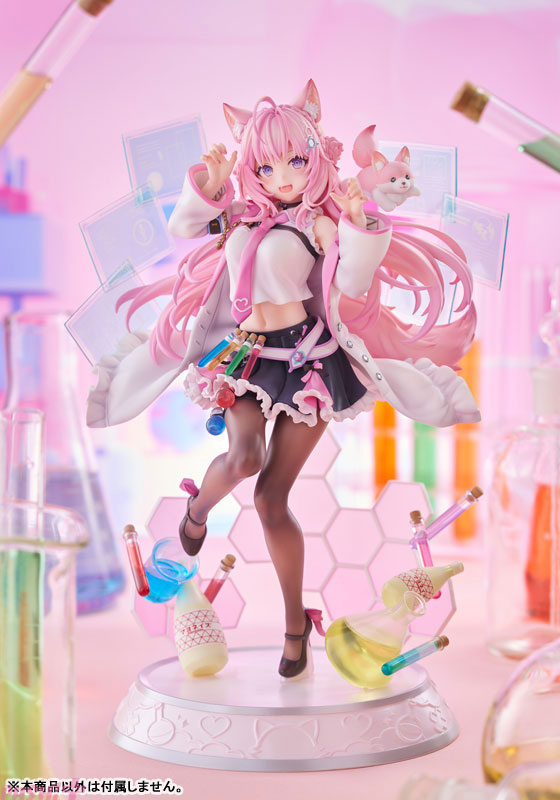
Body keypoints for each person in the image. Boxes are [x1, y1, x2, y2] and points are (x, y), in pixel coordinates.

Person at [87, 79, 479, 679]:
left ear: (315, 158)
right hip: (247, 356)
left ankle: (296, 625)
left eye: (296, 160)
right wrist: (210, 188)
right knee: (243, 458)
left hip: (307, 362)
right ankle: (198, 511)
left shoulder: (316, 224)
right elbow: (185, 228)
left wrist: (358, 226)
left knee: (271, 498)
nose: (283, 176)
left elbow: (351, 280)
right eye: (267, 166)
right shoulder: (240, 217)